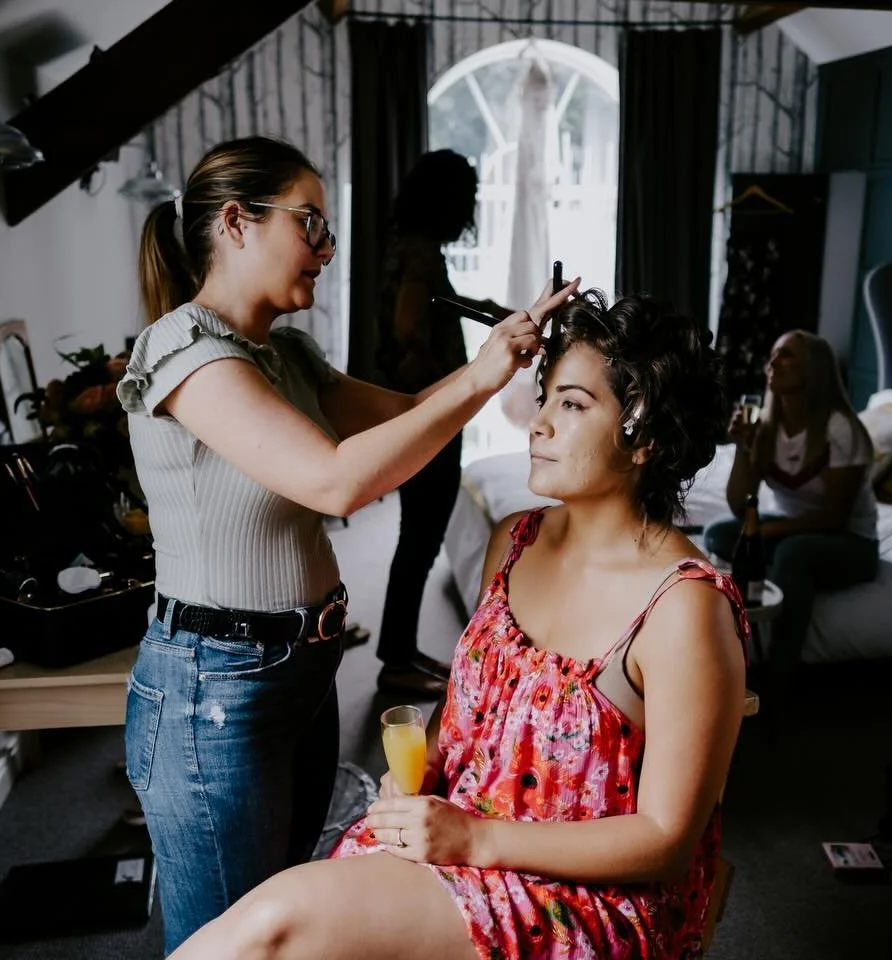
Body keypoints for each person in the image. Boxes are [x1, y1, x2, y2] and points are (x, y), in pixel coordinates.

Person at [167, 291, 749, 960]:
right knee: (280, 923)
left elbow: (667, 840)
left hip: (584, 898)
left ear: (644, 437)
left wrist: (476, 840)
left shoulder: (685, 610)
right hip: (457, 838)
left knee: (278, 924)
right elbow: (479, 705)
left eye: (574, 405)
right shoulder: (515, 541)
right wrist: (430, 761)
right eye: (547, 397)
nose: (539, 425)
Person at [117, 135, 579, 953]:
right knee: (227, 941)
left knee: (287, 927)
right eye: (311, 223)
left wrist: (496, 360)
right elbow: (335, 481)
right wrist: (477, 378)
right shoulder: (184, 352)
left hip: (300, 673)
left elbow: (405, 416)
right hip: (213, 694)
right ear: (236, 222)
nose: (327, 247)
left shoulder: (284, 353)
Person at [372, 149, 514, 698]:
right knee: (420, 539)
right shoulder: (424, 252)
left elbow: (429, 303)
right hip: (427, 415)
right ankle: (396, 661)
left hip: (411, 412)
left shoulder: (405, 245)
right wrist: (447, 386)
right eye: (468, 197)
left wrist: (482, 307)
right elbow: (411, 323)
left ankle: (399, 652)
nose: (471, 207)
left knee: (417, 536)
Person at [704, 329, 879, 697]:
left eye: (786, 355)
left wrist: (765, 534)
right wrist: (741, 448)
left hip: (851, 543)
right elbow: (741, 505)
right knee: (718, 534)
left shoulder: (840, 428)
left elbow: (835, 518)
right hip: (790, 530)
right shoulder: (767, 425)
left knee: (791, 554)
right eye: (772, 355)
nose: (772, 363)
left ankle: (779, 678)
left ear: (813, 370)